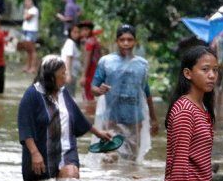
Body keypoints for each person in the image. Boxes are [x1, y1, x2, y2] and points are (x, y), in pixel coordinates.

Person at [158, 46, 218, 181]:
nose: (212, 75)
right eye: (205, 69)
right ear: (188, 73)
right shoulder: (185, 109)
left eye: (215, 70)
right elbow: (180, 160)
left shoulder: (201, 107)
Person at [17, 55, 112, 181]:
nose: (66, 78)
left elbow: (78, 117)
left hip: (67, 151)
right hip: (41, 154)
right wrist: (35, 153)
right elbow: (25, 127)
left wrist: (98, 133)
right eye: (62, 74)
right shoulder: (32, 95)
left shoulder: (63, 92)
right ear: (51, 76)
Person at [91, 24, 159, 161]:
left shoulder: (142, 64)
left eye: (130, 39)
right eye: (122, 40)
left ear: (135, 41)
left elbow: (146, 91)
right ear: (117, 41)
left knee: (131, 160)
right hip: (112, 119)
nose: (126, 43)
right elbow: (93, 88)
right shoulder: (106, 62)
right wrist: (100, 90)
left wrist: (153, 118)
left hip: (135, 120)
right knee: (110, 157)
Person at [79, 21, 101, 102]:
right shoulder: (95, 40)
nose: (84, 32)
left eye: (86, 29)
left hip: (89, 73)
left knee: (87, 98)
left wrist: (83, 76)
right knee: (92, 96)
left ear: (91, 30)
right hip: (95, 73)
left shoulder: (90, 42)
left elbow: (87, 58)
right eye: (82, 30)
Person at [19, 0, 39, 74]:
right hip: (25, 30)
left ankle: (33, 67)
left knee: (32, 49)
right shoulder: (27, 9)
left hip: (31, 31)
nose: (26, 2)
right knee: (27, 50)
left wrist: (26, 11)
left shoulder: (34, 10)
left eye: (28, 0)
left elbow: (27, 17)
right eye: (25, 0)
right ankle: (28, 65)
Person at [60, 24, 82, 96]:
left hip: (72, 73)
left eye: (78, 32)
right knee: (69, 95)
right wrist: (68, 74)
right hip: (69, 73)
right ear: (70, 33)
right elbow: (68, 59)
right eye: (74, 32)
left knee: (70, 94)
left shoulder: (72, 43)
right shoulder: (70, 43)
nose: (77, 34)